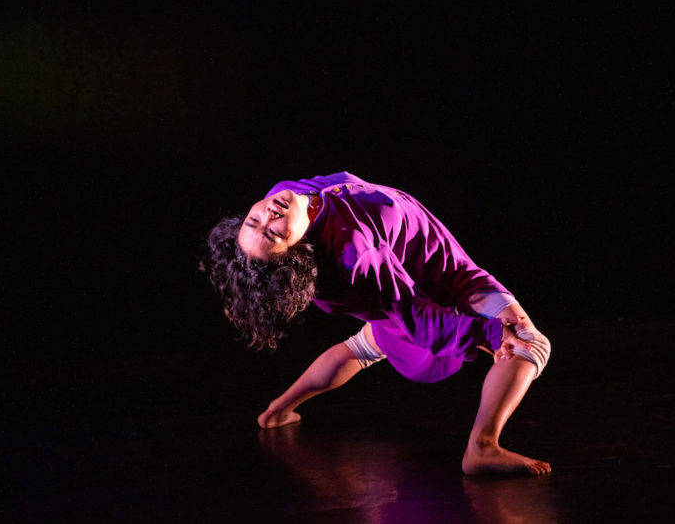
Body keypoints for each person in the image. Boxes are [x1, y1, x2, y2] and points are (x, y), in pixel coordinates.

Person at [200, 172, 552, 475]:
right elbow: (416, 316)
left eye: (254, 221)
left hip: (415, 275)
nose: (267, 214)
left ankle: (278, 409)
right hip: (448, 282)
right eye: (273, 234)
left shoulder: (285, 193)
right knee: (528, 343)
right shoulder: (355, 255)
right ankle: (482, 447)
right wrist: (487, 333)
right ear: (295, 250)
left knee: (368, 343)